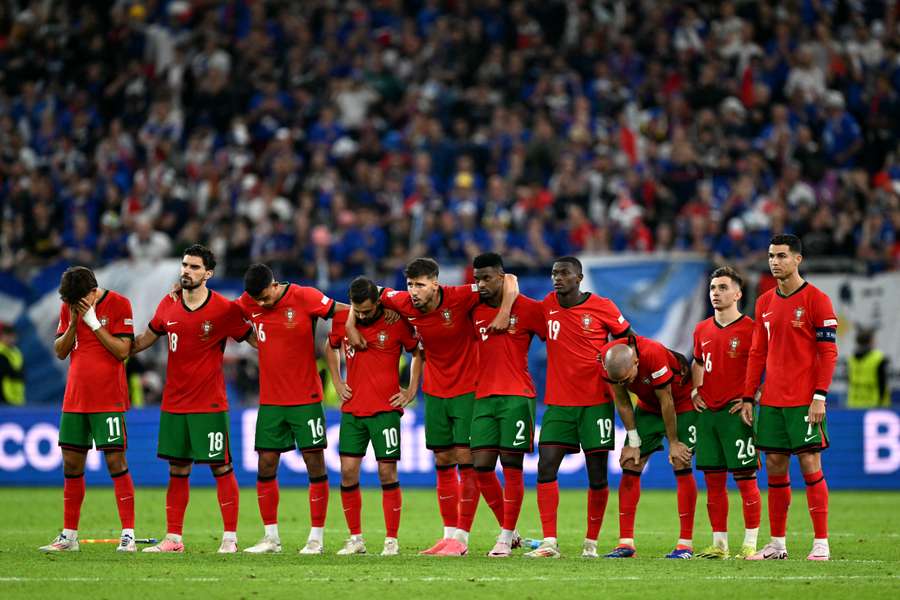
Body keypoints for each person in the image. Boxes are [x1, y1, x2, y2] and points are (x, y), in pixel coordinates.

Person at [349, 257, 518, 556]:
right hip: (435, 391)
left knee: (469, 461)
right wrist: (353, 322)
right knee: (442, 460)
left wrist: (504, 312)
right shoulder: (400, 301)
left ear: (435, 284)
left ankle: (463, 539)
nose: (413, 291)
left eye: (420, 285)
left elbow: (510, 280)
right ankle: (449, 534)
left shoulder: (459, 295)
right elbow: (363, 292)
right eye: (410, 284)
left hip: (468, 389)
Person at [132, 244, 254, 553]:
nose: (187, 270)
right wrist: (117, 349)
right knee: (177, 470)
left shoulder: (224, 310)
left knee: (221, 468)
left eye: (195, 267)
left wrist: (284, 347)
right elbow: (146, 338)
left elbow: (255, 340)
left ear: (208, 274)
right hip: (174, 403)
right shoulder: (169, 303)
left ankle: (230, 539)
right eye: (185, 265)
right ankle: (173, 539)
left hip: (209, 404)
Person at [236, 263, 350, 554]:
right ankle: (270, 538)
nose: (261, 304)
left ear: (274, 285)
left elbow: (344, 310)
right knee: (265, 464)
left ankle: (316, 538)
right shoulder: (250, 301)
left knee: (315, 465)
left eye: (265, 297)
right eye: (256, 300)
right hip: (271, 402)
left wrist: (337, 342)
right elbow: (224, 313)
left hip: (306, 399)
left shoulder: (304, 296)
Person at [525, 256, 632, 559]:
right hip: (559, 403)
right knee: (545, 466)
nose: (557, 278)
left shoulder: (603, 306)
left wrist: (617, 369)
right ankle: (549, 542)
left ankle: (591, 544)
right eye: (554, 273)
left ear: (579, 277)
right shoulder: (547, 305)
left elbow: (627, 340)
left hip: (596, 402)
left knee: (597, 475)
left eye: (564, 273)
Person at [743, 234, 838, 561]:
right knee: (774, 466)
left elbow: (828, 353)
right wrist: (747, 395)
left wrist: (820, 396)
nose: (775, 262)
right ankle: (778, 544)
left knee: (810, 463)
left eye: (782, 256)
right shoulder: (765, 302)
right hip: (771, 401)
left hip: (803, 400)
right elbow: (757, 353)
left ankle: (821, 543)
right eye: (771, 256)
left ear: (798, 259)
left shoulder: (817, 300)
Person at [39, 267, 136, 552]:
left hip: (108, 399)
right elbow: (60, 351)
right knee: (71, 464)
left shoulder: (120, 304)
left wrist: (94, 323)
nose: (79, 306)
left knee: (116, 463)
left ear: (94, 291)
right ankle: (69, 536)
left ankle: (128, 534)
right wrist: (72, 323)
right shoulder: (69, 306)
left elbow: (122, 351)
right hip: (75, 399)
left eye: (82, 300)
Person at [325, 277, 423, 556]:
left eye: (368, 310)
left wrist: (412, 389)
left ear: (378, 303)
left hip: (385, 410)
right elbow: (329, 347)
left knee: (386, 471)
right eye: (358, 311)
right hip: (353, 410)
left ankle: (391, 540)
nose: (363, 315)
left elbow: (417, 352)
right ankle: (355, 539)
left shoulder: (396, 322)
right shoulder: (344, 319)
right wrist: (338, 380)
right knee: (347, 472)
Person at [468, 253, 546, 557]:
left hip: (517, 396)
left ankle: (503, 537)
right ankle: (510, 530)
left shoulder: (527, 308)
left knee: (512, 466)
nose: (481, 284)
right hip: (484, 397)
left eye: (487, 278)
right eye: (477, 279)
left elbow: (554, 337)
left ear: (502, 277)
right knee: (481, 467)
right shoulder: (473, 309)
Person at [601, 334, 697, 559]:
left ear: (635, 362)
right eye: (619, 381)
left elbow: (667, 400)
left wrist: (673, 443)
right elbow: (623, 401)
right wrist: (633, 442)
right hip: (647, 408)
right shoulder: (608, 360)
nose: (624, 384)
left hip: (680, 404)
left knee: (681, 461)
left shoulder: (652, 354)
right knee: (630, 463)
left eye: (626, 379)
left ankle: (685, 544)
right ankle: (626, 543)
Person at [691, 267, 762, 559]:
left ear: (738, 293)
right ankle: (719, 544)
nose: (716, 293)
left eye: (722, 288)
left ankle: (750, 543)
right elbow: (697, 362)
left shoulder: (752, 329)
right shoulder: (702, 329)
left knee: (746, 479)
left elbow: (764, 366)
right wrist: (696, 390)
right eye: (713, 288)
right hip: (708, 414)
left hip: (736, 413)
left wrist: (753, 396)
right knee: (713, 481)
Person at [846, 328, 890, 408]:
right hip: (875, 403)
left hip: (853, 404)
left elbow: (848, 380)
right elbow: (882, 383)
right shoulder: (879, 358)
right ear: (871, 341)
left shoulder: (851, 359)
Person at [0, 323, 24, 406]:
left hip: (17, 394)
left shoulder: (17, 352)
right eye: (7, 336)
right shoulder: (1, 352)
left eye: (12, 336)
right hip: (3, 394)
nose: (10, 339)